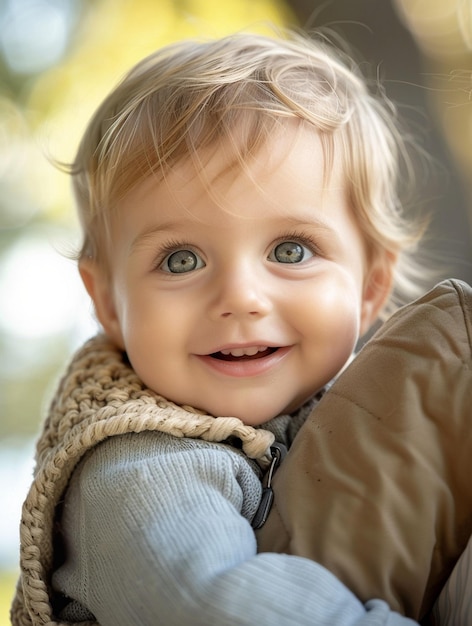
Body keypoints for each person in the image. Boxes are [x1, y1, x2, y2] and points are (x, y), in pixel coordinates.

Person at [11, 29, 431, 626]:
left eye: (290, 250)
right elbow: (216, 603)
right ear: (107, 302)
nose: (240, 297)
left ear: (369, 288)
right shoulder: (136, 466)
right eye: (181, 260)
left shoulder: (365, 417)